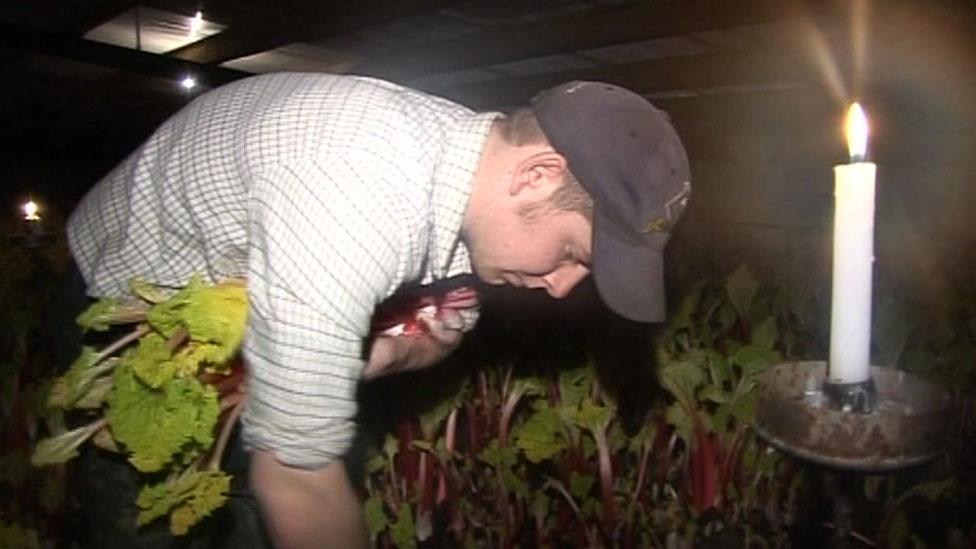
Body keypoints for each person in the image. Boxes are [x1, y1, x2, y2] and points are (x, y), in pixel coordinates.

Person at [66, 73, 690, 547]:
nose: (562, 286)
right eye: (573, 253)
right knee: (153, 521)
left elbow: (448, 321)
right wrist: (309, 396)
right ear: (536, 177)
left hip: (246, 290)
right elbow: (299, 478)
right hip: (135, 309)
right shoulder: (356, 196)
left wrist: (361, 356)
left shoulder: (464, 168)